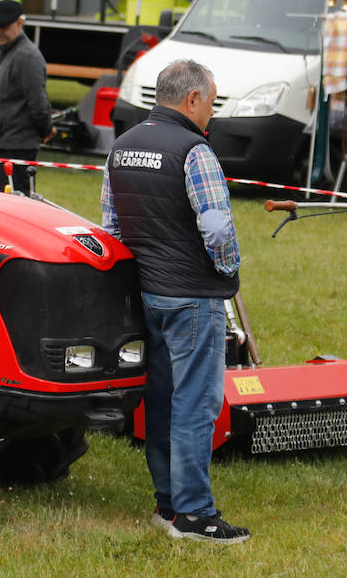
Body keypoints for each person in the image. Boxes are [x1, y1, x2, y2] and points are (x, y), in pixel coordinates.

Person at [100, 59, 249, 545]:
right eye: (211, 102)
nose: (212, 113)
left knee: (161, 402)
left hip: (146, 293)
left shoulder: (121, 148)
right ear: (192, 100)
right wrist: (227, 268)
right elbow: (216, 228)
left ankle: (167, 506)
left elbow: (111, 227)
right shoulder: (195, 150)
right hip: (192, 296)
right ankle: (194, 517)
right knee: (195, 405)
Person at [0, 0, 51, 195]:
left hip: (15, 147)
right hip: (0, 144)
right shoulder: (6, 51)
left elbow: (38, 103)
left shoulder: (27, 56)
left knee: (13, 208)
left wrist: (46, 130)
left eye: (3, 27)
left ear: (20, 23)